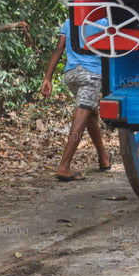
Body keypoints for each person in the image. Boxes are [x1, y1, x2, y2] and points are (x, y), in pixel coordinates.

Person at [41, 20, 111, 181]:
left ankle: (103, 158)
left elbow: (59, 48)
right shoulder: (105, 21)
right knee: (81, 115)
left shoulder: (69, 22)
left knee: (90, 113)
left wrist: (48, 78)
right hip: (91, 74)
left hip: (71, 75)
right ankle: (64, 167)